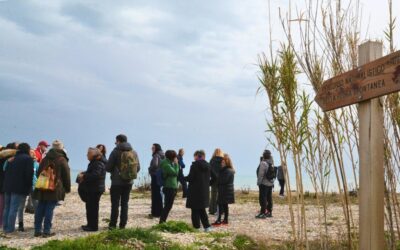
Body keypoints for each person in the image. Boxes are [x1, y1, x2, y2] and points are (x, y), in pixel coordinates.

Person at [33, 140, 71, 237]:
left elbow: (38, 172)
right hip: (55, 188)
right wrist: (67, 188)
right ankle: (46, 231)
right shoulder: (62, 159)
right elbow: (66, 175)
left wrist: (44, 181)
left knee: (40, 206)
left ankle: (37, 230)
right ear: (61, 148)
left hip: (42, 186)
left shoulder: (45, 158)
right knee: (49, 208)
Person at [106, 134, 140, 230]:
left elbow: (108, 168)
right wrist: (129, 175)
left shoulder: (115, 151)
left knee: (115, 204)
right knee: (125, 204)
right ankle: (122, 225)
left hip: (116, 182)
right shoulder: (134, 152)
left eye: (116, 141)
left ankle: (112, 225)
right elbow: (138, 168)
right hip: (129, 182)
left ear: (118, 141)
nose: (115, 143)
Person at [2, 143, 34, 233]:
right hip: (19, 187)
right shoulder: (28, 159)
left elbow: (6, 171)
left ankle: (5, 227)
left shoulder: (11, 158)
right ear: (27, 149)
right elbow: (29, 174)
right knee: (13, 208)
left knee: (7, 208)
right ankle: (10, 229)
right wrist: (28, 186)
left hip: (7, 186)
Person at [186, 150, 216, 232]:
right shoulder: (208, 165)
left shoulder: (194, 165)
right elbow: (215, 177)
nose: (194, 158)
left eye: (194, 156)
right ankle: (207, 227)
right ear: (204, 156)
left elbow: (190, 178)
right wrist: (208, 184)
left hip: (194, 191)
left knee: (195, 209)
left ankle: (196, 228)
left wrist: (182, 178)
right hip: (204, 191)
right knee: (202, 209)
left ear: (197, 156)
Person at [79, 148, 106, 231]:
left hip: (95, 189)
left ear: (94, 155)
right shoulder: (94, 163)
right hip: (92, 189)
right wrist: (85, 173)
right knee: (90, 207)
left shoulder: (98, 163)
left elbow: (96, 175)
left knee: (93, 208)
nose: (87, 155)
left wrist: (84, 176)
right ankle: (90, 224)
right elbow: (93, 173)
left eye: (88, 153)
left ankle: (93, 227)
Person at [15, 150, 39, 232]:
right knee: (21, 206)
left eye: (32, 153)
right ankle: (20, 224)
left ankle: (37, 223)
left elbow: (39, 175)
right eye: (29, 153)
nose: (30, 154)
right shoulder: (22, 162)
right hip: (23, 186)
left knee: (36, 205)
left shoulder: (36, 164)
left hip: (34, 186)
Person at [212, 154, 235, 226]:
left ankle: (219, 220)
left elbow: (223, 180)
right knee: (225, 205)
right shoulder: (230, 170)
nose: (221, 164)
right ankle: (225, 220)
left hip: (224, 190)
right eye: (221, 163)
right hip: (227, 190)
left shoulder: (227, 171)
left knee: (220, 204)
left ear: (227, 163)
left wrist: (217, 180)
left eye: (223, 163)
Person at [0, 143, 18, 228]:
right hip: (5, 184)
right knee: (5, 206)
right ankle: (3, 224)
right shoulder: (10, 158)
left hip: (3, 183)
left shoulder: (2, 156)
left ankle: (3, 223)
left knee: (4, 206)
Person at [159, 150, 179, 224]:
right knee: (168, 206)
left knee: (168, 205)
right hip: (169, 187)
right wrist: (177, 164)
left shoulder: (169, 163)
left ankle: (162, 221)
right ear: (172, 157)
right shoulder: (166, 164)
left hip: (171, 186)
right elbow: (175, 173)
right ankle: (162, 222)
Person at [256, 150, 274, 219]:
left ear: (263, 156)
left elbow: (261, 174)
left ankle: (263, 213)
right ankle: (269, 212)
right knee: (269, 198)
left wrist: (258, 183)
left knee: (263, 198)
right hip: (270, 184)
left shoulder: (263, 163)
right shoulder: (271, 163)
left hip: (264, 184)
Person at [148, 143, 164, 218]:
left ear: (157, 148)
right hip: (160, 176)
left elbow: (155, 165)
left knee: (155, 194)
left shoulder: (156, 155)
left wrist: (149, 169)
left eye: (153, 147)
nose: (152, 149)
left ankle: (155, 213)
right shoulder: (163, 155)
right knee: (159, 194)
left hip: (155, 176)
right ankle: (160, 212)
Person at [209, 148, 224, 215]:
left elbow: (209, 170)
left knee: (213, 196)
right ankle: (221, 210)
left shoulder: (212, 160)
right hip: (221, 180)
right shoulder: (223, 160)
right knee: (221, 195)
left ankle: (212, 210)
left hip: (214, 180)